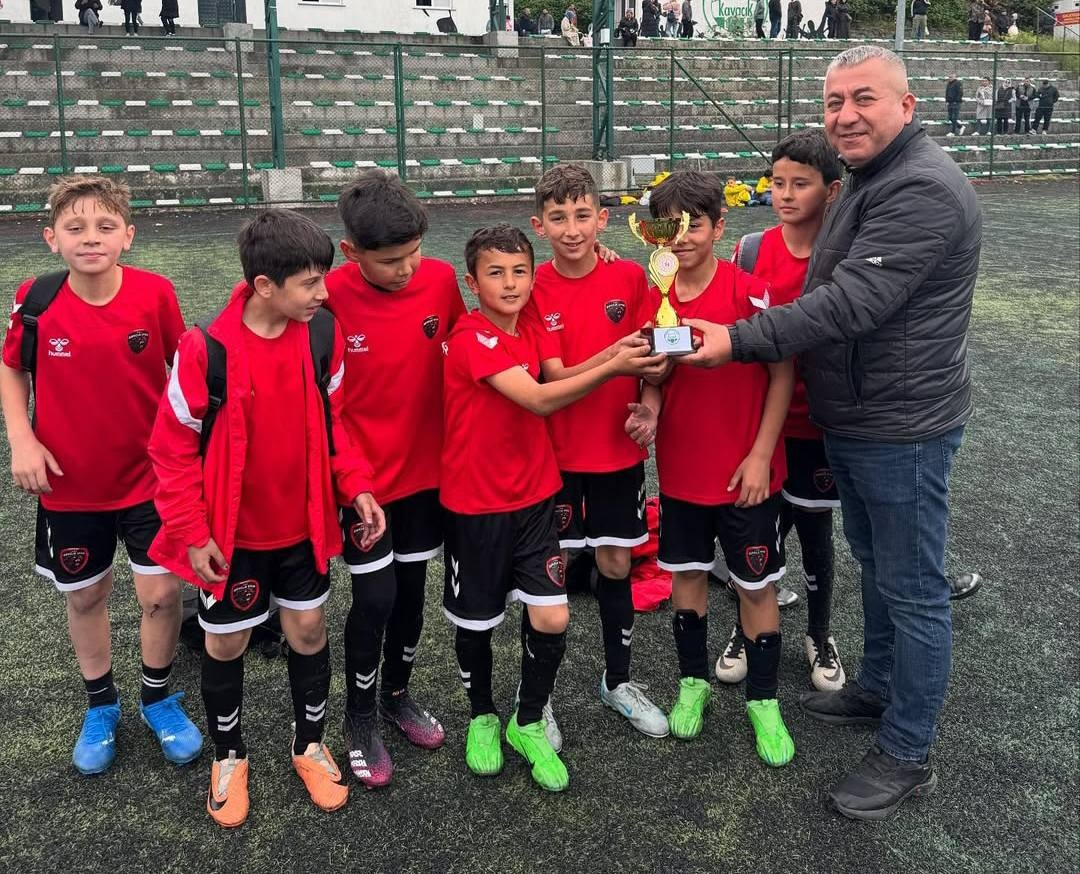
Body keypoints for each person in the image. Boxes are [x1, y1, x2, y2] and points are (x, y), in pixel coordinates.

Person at [678, 45, 981, 821]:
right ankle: (876, 688)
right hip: (864, 417)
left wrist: (737, 338)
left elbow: (848, 304)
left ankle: (908, 753)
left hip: (902, 427)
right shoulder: (871, 176)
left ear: (906, 106)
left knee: (913, 589)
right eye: (834, 101)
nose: (845, 114)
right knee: (878, 567)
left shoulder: (920, 188)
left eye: (864, 98)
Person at [149, 209, 386, 827]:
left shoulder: (322, 334)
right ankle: (229, 756)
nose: (323, 293)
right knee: (225, 641)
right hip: (232, 540)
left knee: (307, 631)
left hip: (303, 531)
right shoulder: (206, 349)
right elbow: (171, 449)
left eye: (322, 279)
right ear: (263, 285)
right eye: (309, 283)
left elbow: (336, 423)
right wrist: (191, 533)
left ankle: (309, 745)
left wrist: (356, 485)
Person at [443, 225, 658, 792]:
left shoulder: (532, 327)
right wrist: (616, 367)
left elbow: (563, 370)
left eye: (520, 272)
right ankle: (482, 716)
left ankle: (528, 720)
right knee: (478, 621)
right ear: (472, 284)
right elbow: (540, 399)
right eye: (496, 273)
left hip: (537, 496)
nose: (510, 283)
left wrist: (619, 350)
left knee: (553, 616)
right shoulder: (471, 337)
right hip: (476, 503)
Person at [0, 175, 202, 777]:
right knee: (87, 595)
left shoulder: (155, 294)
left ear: (128, 236)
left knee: (161, 596)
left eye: (105, 226)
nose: (91, 238)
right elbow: (12, 369)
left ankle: (158, 697)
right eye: (76, 227)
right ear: (52, 238)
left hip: (150, 481)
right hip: (69, 485)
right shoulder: (36, 300)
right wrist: (22, 439)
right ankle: (101, 704)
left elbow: (185, 370)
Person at [626, 169, 796, 765]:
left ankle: (763, 701)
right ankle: (693, 683)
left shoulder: (752, 293)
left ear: (720, 228)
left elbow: (782, 375)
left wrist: (760, 455)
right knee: (688, 577)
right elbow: (657, 377)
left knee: (756, 584)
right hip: (682, 474)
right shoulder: (655, 295)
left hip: (747, 475)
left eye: (694, 225)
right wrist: (648, 411)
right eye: (668, 227)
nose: (680, 238)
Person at [323, 172, 464, 788]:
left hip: (427, 475)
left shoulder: (440, 280)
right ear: (350, 251)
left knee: (410, 595)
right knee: (375, 598)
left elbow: (467, 348)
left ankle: (396, 696)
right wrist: (352, 479)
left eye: (414, 253)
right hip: (363, 483)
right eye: (389, 261)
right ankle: (358, 717)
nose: (406, 269)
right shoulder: (327, 295)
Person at [524, 163, 670, 740]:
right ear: (539, 225)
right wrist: (615, 356)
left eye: (582, 215)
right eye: (558, 217)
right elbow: (555, 376)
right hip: (554, 459)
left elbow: (655, 360)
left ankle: (618, 681)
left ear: (602, 220)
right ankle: (538, 699)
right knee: (547, 578)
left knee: (615, 565)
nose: (572, 229)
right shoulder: (532, 288)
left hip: (617, 453)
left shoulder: (631, 277)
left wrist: (650, 408)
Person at [716, 131, 846, 696]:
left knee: (815, 531)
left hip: (815, 423)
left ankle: (819, 634)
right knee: (757, 536)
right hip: (761, 424)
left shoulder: (842, 253)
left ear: (831, 191)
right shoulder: (751, 249)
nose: (786, 194)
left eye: (801, 184)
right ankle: (746, 632)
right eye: (778, 183)